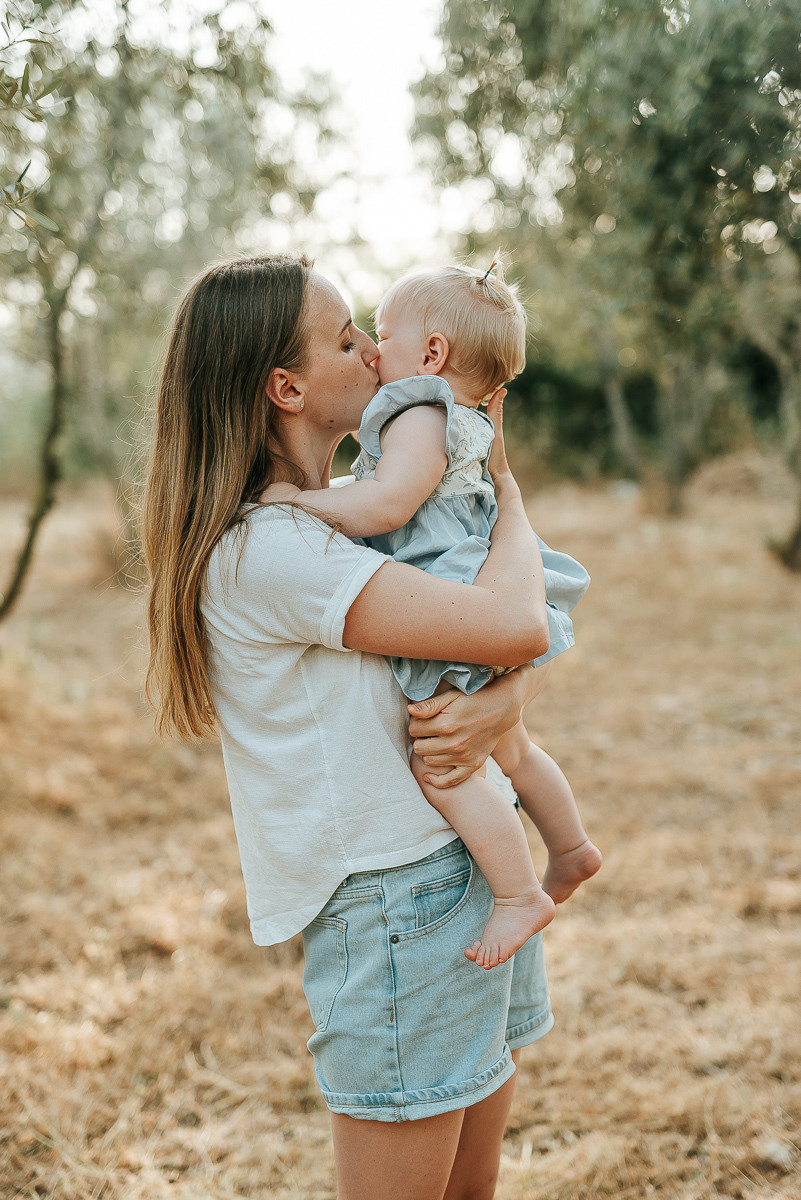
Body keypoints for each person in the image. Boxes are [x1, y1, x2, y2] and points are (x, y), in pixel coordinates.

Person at [143, 253, 559, 1200]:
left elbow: (491, 651)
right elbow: (519, 623)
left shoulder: (352, 519)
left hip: (452, 873)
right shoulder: (273, 546)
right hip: (397, 904)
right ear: (285, 389)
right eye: (344, 340)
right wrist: (507, 494)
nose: (375, 351)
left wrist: (504, 701)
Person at [266, 263, 602, 970]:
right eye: (353, 340)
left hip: (451, 580)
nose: (371, 352)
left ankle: (518, 893)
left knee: (441, 766)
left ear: (432, 353)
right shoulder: (455, 418)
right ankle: (569, 847)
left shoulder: (417, 411)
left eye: (379, 335)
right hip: (481, 574)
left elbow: (387, 505)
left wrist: (298, 503)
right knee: (509, 745)